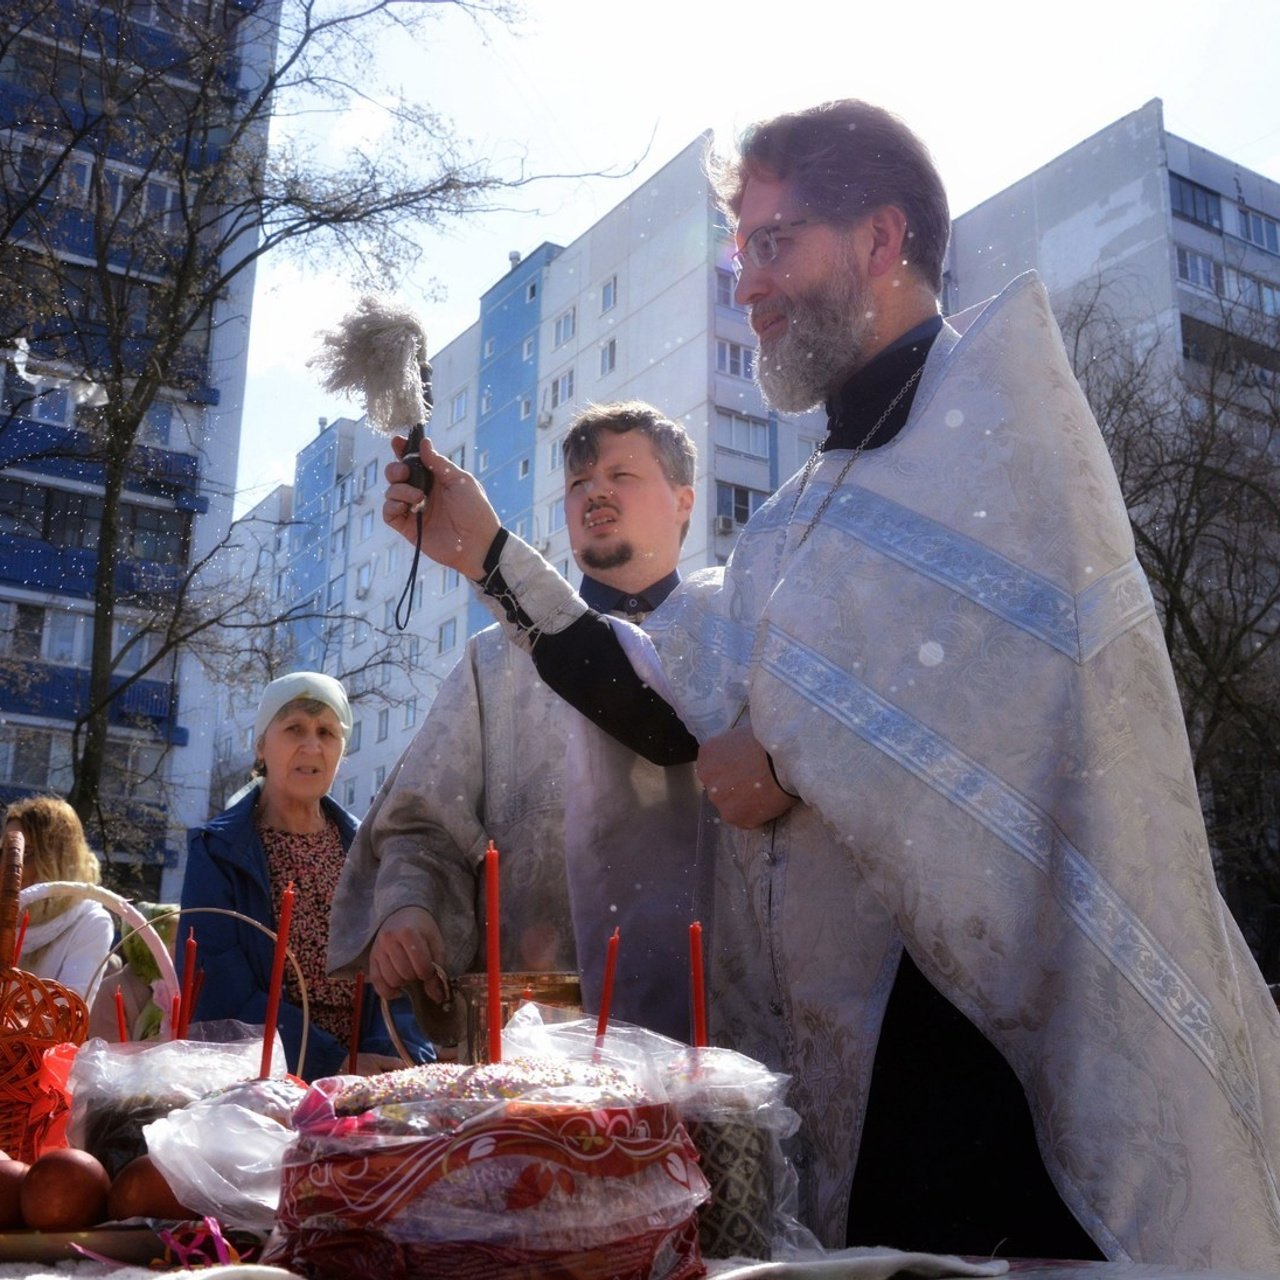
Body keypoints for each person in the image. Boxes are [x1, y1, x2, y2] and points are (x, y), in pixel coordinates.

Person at [379, 100, 1280, 1270]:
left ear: (878, 240)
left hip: (1004, 1098)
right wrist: (490, 554)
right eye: (736, 249)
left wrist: (790, 745)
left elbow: (1027, 716)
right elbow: (673, 714)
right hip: (863, 1103)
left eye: (772, 242)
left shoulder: (1002, 424)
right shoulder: (796, 519)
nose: (743, 284)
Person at [329, 402, 704, 1044]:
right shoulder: (497, 661)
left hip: (712, 1047)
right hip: (530, 1047)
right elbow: (425, 827)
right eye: (579, 483)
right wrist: (412, 909)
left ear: (684, 501)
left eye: (623, 474)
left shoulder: (726, 639)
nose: (596, 494)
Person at [183, 671, 433, 1079]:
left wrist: (392, 1061)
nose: (312, 746)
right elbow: (218, 990)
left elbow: (402, 985)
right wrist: (331, 1063)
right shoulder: (218, 852)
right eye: (294, 728)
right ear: (262, 746)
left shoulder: (371, 851)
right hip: (263, 1079)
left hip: (370, 1077)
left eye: (327, 733)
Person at [4, 796, 114, 1005]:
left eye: (25, 853)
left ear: (58, 859)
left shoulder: (90, 922)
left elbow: (66, 1015)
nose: (9, 865)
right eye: (6, 852)